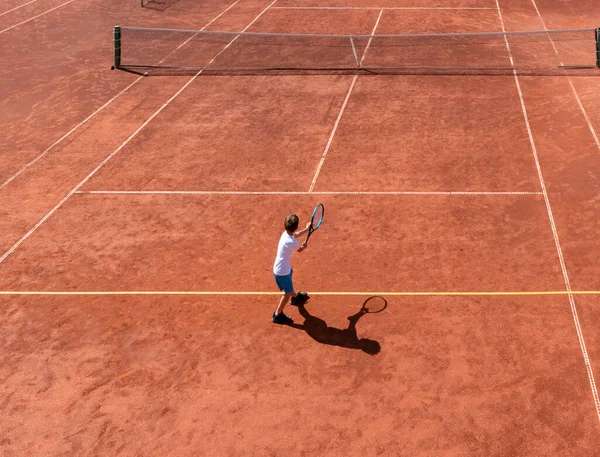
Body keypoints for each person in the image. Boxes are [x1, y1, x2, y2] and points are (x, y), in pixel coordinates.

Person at [272, 214, 311, 324]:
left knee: (290, 278)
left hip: (283, 268)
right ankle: (277, 315)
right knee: (287, 293)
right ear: (296, 226)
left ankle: (295, 297)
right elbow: (299, 250)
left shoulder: (285, 234)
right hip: (282, 272)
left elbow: (296, 234)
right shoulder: (291, 242)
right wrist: (304, 246)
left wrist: (307, 229)